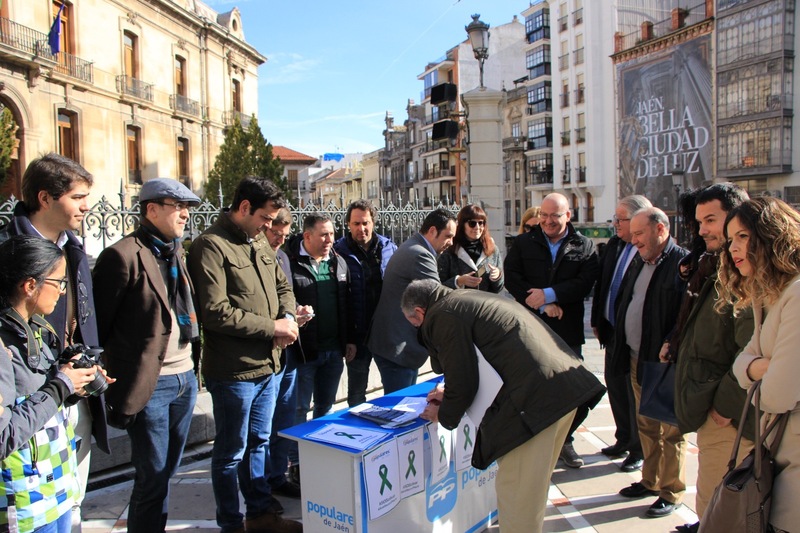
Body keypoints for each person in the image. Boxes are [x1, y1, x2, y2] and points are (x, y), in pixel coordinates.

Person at [402, 279, 605, 533]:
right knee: (530, 494)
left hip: (535, 405)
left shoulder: (441, 314)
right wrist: (449, 393)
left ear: (420, 312)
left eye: (416, 325)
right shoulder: (464, 299)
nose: (419, 328)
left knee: (517, 498)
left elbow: (464, 378)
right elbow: (481, 359)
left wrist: (444, 414)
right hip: (561, 391)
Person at [187, 177, 303, 533]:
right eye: (265, 218)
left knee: (259, 444)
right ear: (243, 208)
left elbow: (283, 286)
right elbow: (215, 311)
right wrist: (273, 328)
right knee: (230, 453)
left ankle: (261, 516)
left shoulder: (260, 243)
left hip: (269, 367)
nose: (269, 226)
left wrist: (287, 317)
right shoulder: (210, 246)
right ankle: (231, 523)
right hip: (234, 373)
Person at [0, 153, 109, 531]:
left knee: (71, 501)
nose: (86, 205)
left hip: (68, 396)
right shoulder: (6, 250)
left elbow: (81, 321)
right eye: (78, 196)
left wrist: (83, 362)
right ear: (46, 198)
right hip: (23, 417)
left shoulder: (75, 249)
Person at [92, 178, 202, 532]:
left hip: (185, 377)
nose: (185, 214)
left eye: (188, 207)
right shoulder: (121, 256)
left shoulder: (176, 252)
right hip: (150, 385)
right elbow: (101, 327)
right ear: (151, 210)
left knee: (166, 472)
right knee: (152, 478)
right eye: (177, 206)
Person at [665, 184, 754, 533]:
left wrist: (723, 406)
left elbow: (756, 351)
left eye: (710, 220)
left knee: (719, 512)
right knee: (710, 507)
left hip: (730, 420)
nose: (701, 230)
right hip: (711, 410)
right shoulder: (712, 265)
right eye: (699, 222)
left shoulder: (743, 272)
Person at [719, 197, 800, 533]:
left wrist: (756, 374)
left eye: (742, 237)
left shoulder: (796, 295)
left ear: (770, 235)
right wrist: (758, 368)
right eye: (730, 239)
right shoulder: (770, 296)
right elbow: (741, 365)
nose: (732, 248)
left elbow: (776, 397)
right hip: (777, 462)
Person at [504, 192, 600, 468]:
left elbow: (585, 283)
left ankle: (565, 441)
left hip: (568, 331)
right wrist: (542, 306)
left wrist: (550, 294)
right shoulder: (524, 243)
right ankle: (536, 442)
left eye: (554, 216)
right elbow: (512, 278)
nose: (547, 221)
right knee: (534, 388)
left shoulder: (585, 245)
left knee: (573, 390)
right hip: (531, 328)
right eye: (544, 215)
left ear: (568, 215)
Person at [609, 207, 688, 518]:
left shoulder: (682, 263)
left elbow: (685, 313)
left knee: (671, 432)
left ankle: (672, 491)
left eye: (640, 233)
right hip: (635, 357)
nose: (634, 238)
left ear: (661, 230)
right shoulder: (638, 260)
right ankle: (650, 481)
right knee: (646, 424)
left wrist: (671, 344)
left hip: (664, 363)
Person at [590, 195, 651, 473]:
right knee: (614, 386)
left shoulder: (645, 251)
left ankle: (638, 450)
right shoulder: (615, 246)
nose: (615, 224)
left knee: (632, 393)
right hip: (611, 328)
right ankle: (622, 438)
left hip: (634, 335)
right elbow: (602, 285)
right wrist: (597, 319)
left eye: (620, 219)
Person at [367, 208, 456, 393]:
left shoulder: (414, 246)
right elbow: (438, 297)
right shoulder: (419, 254)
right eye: (448, 235)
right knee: (400, 409)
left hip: (396, 345)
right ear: (432, 231)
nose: (451, 242)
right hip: (398, 348)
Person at [285, 213, 355, 421]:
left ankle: (319, 450)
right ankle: (295, 454)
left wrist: (349, 340)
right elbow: (283, 297)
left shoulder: (339, 262)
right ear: (307, 236)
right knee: (299, 408)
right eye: (324, 235)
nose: (330, 240)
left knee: (325, 406)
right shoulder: (289, 262)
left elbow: (347, 304)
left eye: (332, 234)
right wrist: (297, 310)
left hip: (333, 351)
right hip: (304, 352)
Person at [333, 200, 397, 406]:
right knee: (356, 394)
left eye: (366, 222)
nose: (362, 228)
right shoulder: (338, 251)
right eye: (356, 224)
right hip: (357, 335)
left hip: (385, 333)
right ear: (348, 225)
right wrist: (347, 338)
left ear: (373, 222)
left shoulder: (389, 248)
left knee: (393, 392)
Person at [264, 208, 305, 496]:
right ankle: (262, 484)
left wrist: (293, 314)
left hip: (288, 352)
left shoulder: (282, 257)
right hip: (265, 352)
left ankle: (278, 477)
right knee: (262, 428)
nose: (279, 239)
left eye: (285, 235)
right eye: (275, 233)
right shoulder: (252, 257)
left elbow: (285, 296)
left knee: (284, 419)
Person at [437, 204, 504, 293]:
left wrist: (497, 276)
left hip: (485, 304)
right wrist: (459, 281)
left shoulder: (492, 249)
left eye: (481, 223)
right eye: (472, 223)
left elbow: (499, 288)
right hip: (459, 304)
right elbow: (439, 286)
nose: (477, 227)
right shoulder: (449, 251)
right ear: (462, 225)